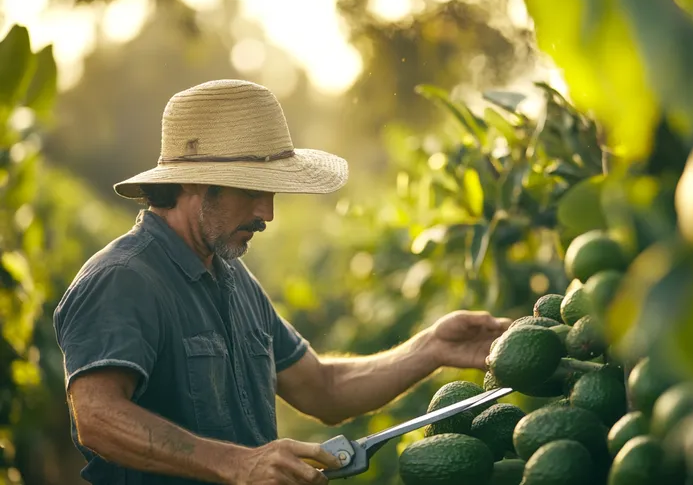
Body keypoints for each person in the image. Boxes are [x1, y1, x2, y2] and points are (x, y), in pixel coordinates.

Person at [53, 79, 512, 485]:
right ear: (194, 183)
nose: (266, 213)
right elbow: (98, 416)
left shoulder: (232, 276)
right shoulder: (123, 278)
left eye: (270, 193)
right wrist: (237, 464)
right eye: (252, 191)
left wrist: (431, 348)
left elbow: (323, 389)